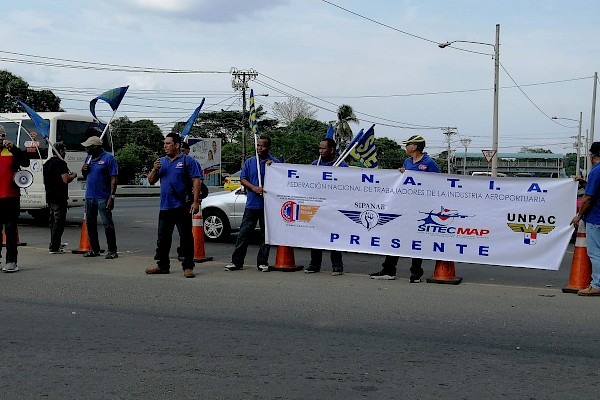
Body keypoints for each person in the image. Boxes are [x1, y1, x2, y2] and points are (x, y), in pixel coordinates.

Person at [370, 134, 441, 282]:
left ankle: (416, 273)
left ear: (415, 146)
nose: (406, 147)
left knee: (416, 240)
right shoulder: (407, 162)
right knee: (395, 236)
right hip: (404, 206)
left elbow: (438, 183)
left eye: (408, 144)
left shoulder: (429, 163)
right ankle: (388, 270)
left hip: (421, 208)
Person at [145, 133, 203, 278]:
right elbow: (151, 181)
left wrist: (195, 201)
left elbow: (196, 181)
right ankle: (163, 265)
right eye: (164, 143)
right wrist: (154, 169)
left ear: (176, 145)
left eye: (168, 143)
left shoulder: (187, 160)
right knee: (163, 238)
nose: (165, 146)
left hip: (182, 206)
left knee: (186, 238)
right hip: (165, 207)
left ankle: (188, 267)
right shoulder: (161, 162)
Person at [224, 136, 279, 272]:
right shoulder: (250, 162)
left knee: (265, 236)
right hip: (252, 205)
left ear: (268, 147)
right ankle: (236, 262)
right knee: (243, 234)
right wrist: (254, 188)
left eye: (263, 146)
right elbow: (243, 179)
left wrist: (275, 168)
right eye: (258, 145)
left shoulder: (275, 163)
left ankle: (262, 262)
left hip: (268, 206)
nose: (259, 148)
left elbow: (281, 182)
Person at [305, 138, 348, 276]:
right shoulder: (315, 164)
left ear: (332, 150)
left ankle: (337, 266)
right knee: (314, 236)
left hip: (334, 208)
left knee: (334, 237)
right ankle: (314, 265)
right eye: (320, 148)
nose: (321, 151)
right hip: (317, 207)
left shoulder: (341, 166)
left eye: (323, 148)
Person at [80, 135, 119, 259]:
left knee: (107, 224)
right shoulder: (89, 158)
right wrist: (83, 169)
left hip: (103, 197)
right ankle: (94, 249)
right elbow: (86, 175)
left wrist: (111, 197)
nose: (86, 149)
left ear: (96, 147)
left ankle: (112, 250)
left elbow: (114, 178)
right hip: (90, 196)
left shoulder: (109, 158)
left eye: (88, 147)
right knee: (90, 224)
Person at [0, 125, 30, 272]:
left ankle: (12, 261)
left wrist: (14, 148)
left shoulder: (11, 151)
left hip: (10, 197)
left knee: (11, 230)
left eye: (2, 135)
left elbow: (26, 162)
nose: (1, 138)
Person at [571, 142, 600, 296]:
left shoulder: (596, 171)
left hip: (596, 219)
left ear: (592, 156)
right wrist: (583, 183)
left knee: (595, 253)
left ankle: (597, 285)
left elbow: (588, 197)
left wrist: (579, 216)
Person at [43, 142, 77, 254]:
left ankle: (54, 243)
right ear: (60, 151)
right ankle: (54, 246)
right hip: (59, 196)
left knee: (53, 221)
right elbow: (65, 179)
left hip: (50, 195)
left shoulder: (47, 163)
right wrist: (73, 175)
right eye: (64, 151)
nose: (65, 153)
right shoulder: (61, 164)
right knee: (59, 221)